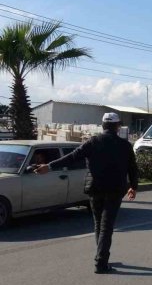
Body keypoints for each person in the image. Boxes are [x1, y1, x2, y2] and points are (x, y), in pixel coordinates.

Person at [35, 113, 139, 274]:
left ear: (103, 125)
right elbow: (132, 167)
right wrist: (134, 186)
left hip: (95, 189)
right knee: (106, 227)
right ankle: (101, 262)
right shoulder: (125, 145)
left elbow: (72, 157)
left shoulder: (93, 142)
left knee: (99, 225)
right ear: (118, 127)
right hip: (114, 190)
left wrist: (49, 166)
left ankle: (101, 257)